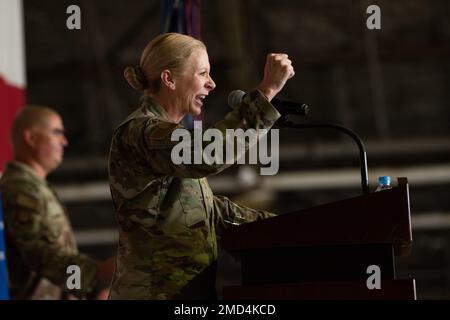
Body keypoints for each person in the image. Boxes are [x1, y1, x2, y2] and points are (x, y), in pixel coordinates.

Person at [108, 32, 295, 299]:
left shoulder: (166, 141)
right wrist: (265, 93)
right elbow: (208, 155)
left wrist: (291, 227)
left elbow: (206, 213)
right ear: (169, 79)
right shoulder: (141, 132)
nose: (212, 84)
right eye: (202, 73)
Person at [0, 105, 114, 299]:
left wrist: (93, 291)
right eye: (56, 132)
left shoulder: (36, 187)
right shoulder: (20, 188)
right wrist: (97, 273)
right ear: (31, 138)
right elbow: (40, 255)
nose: (64, 141)